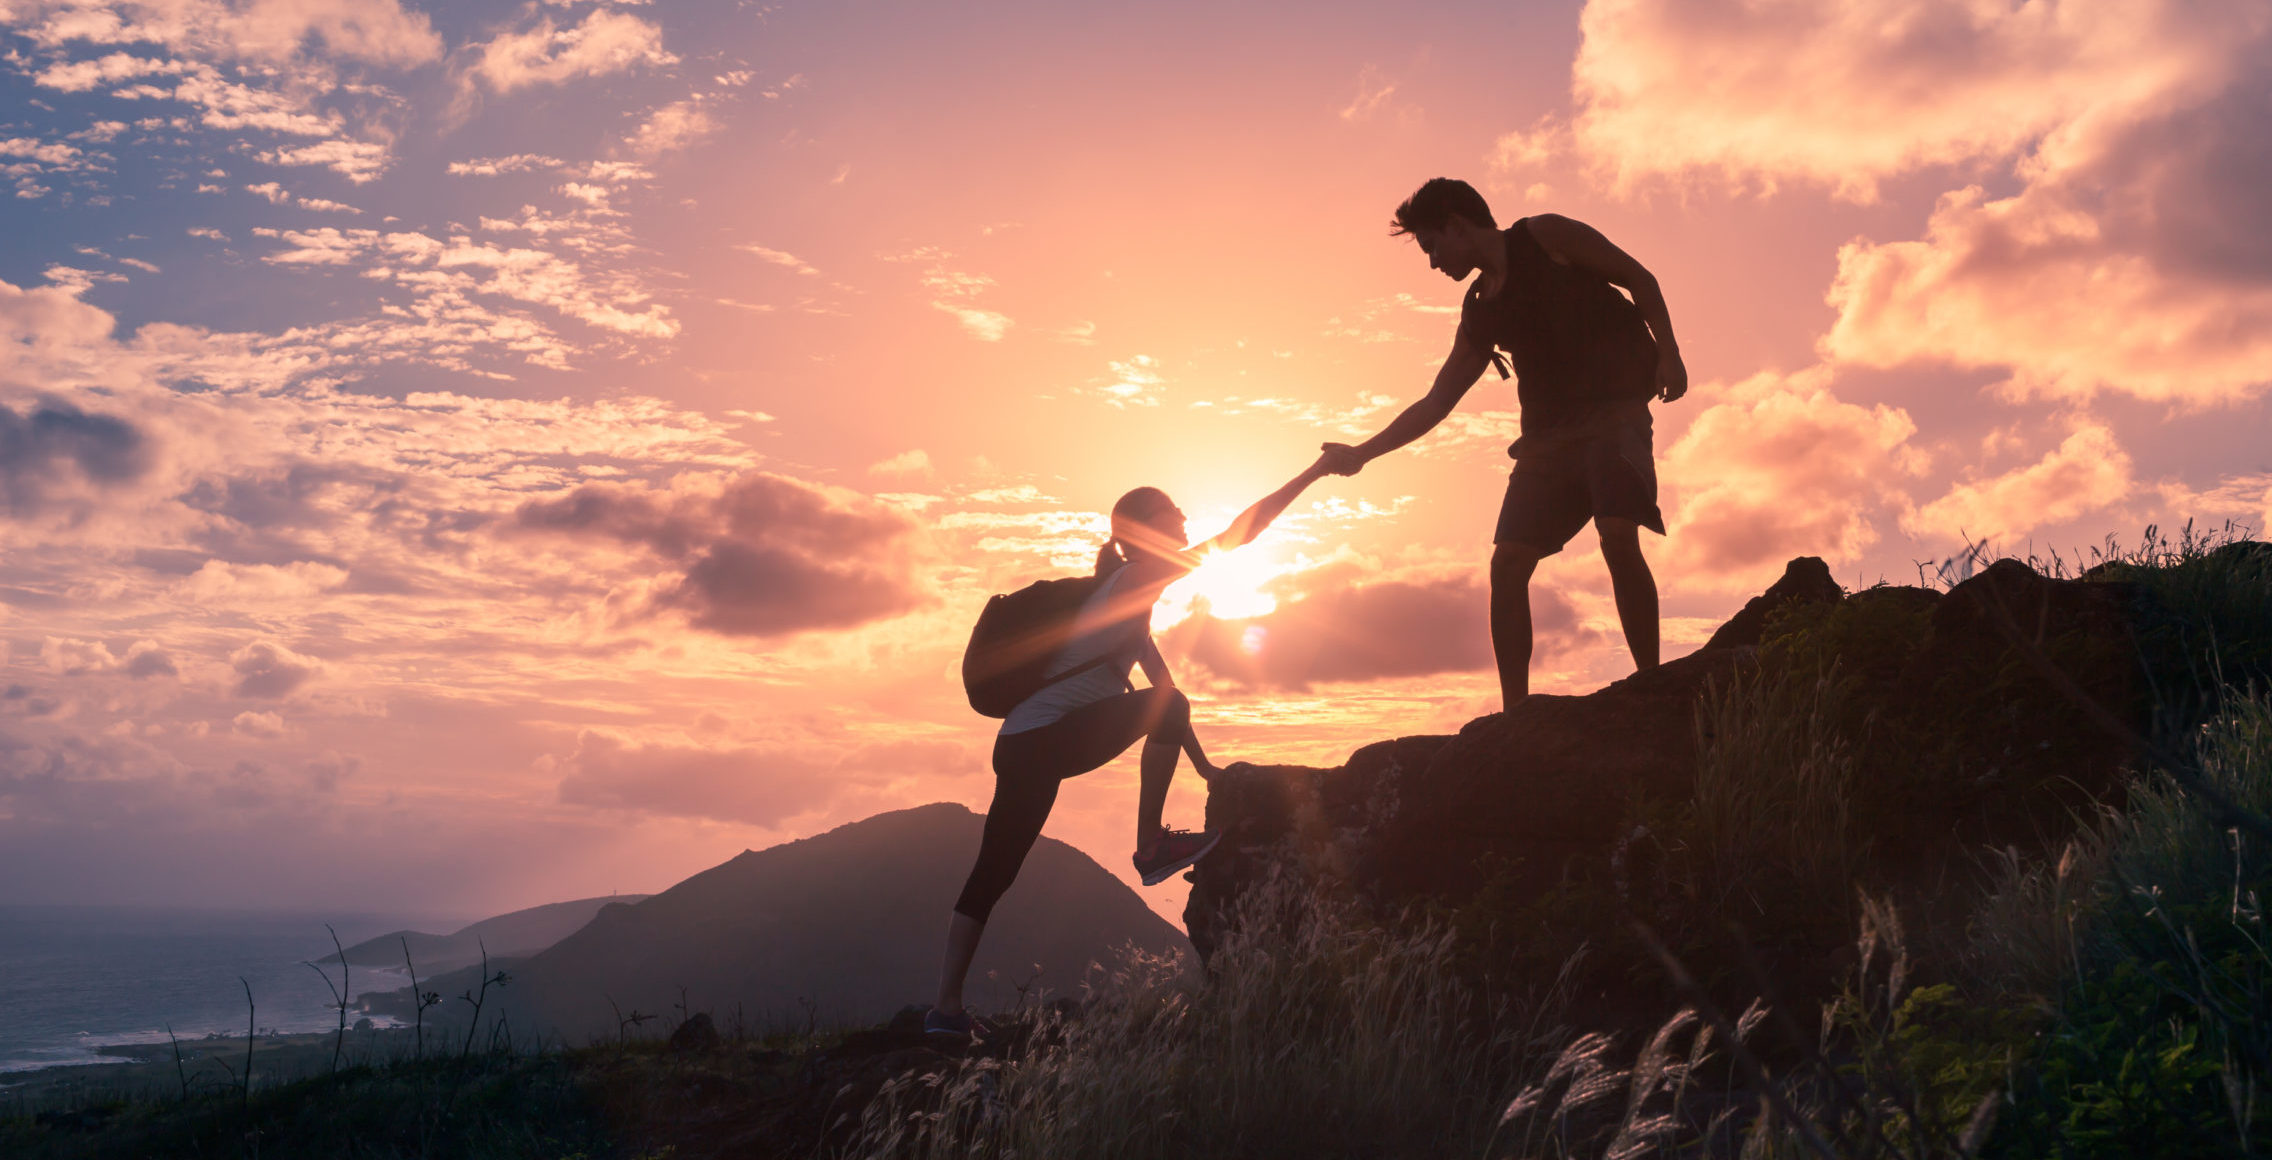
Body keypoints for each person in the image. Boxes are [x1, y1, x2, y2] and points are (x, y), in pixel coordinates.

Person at [928, 456, 1333, 1038]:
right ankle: (1149, 846)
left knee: (993, 874)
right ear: (1146, 530)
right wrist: (1313, 472)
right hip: (1041, 742)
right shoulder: (1136, 578)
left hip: (1024, 743)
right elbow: (1238, 536)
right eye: (1173, 511)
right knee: (996, 871)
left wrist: (1204, 768)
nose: (1185, 516)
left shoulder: (1125, 601)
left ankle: (943, 1010)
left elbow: (1163, 692)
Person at [1320, 178, 1688, 708]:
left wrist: (1670, 353)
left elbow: (1639, 278)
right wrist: (1361, 453)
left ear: (1456, 224)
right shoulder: (1479, 309)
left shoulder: (1546, 237)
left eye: (1431, 246)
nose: (1431, 263)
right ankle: (1514, 714)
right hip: (1545, 444)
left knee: (1616, 533)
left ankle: (1653, 685)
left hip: (1614, 416)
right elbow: (1435, 401)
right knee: (1508, 564)